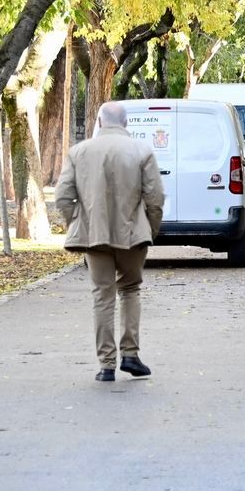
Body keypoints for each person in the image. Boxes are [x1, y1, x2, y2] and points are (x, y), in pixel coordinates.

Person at [54, 100, 164, 382]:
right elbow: (155, 199)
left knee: (102, 295)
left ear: (100, 122)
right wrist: (149, 230)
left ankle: (106, 365)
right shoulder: (142, 151)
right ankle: (130, 354)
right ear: (126, 124)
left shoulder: (78, 152)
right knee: (130, 289)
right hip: (132, 234)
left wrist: (78, 223)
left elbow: (63, 197)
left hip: (95, 235)